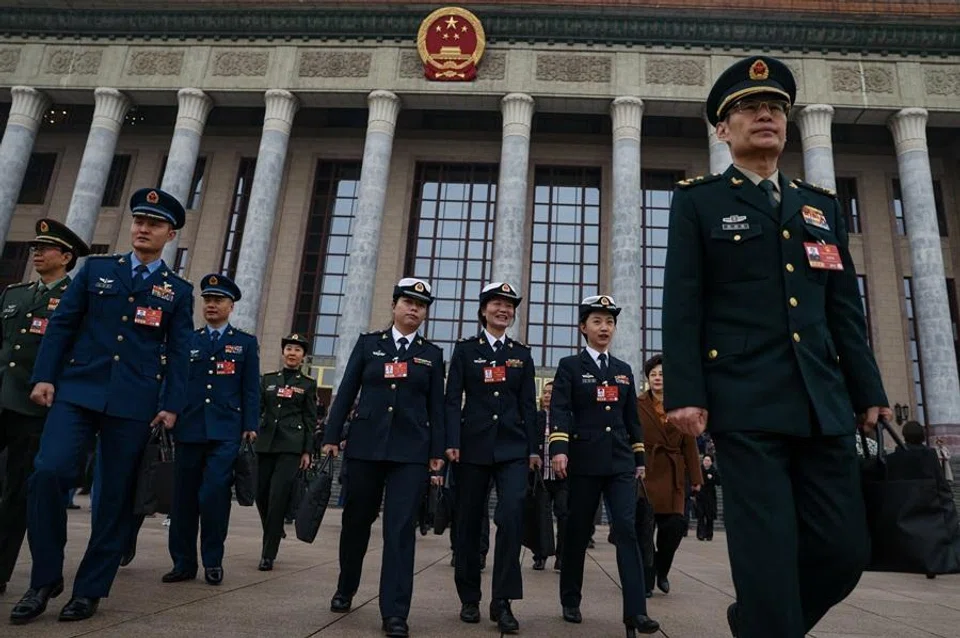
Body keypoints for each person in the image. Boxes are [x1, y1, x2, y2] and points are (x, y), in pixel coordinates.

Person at [662, 56, 891, 638]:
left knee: (844, 551)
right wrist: (685, 392)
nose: (765, 114)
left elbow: (844, 309)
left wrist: (868, 390)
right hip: (746, 402)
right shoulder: (700, 202)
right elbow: (683, 304)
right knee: (765, 555)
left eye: (775, 108)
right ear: (723, 129)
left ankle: (757, 624)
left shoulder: (820, 206)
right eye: (748, 107)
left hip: (823, 403)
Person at [10, 188, 193, 624]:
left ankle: (90, 589)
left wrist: (171, 405)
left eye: (153, 224)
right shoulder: (97, 269)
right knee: (48, 472)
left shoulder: (177, 290)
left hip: (133, 402)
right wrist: (44, 376)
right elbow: (63, 324)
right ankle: (44, 579)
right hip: (77, 390)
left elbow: (179, 352)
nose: (143, 229)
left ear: (170, 234)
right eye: (139, 221)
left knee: (113, 497)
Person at [322, 278, 445, 638]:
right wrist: (331, 436)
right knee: (356, 521)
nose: (414, 309)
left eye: (420, 305)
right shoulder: (369, 344)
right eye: (408, 302)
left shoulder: (431, 354)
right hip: (366, 446)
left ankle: (395, 611)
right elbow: (347, 391)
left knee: (400, 530)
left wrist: (437, 452)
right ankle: (346, 585)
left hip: (411, 451)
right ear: (394, 306)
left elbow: (437, 407)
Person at [549, 295, 660, 637]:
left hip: (620, 463)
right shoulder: (570, 366)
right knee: (578, 531)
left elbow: (632, 420)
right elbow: (560, 409)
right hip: (584, 461)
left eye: (609, 322)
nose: (604, 328)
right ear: (583, 327)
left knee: (626, 529)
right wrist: (559, 449)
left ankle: (636, 612)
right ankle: (570, 597)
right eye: (597, 321)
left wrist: (639, 459)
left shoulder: (623, 370)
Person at [0, 219, 89, 596]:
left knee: (17, 492)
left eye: (45, 248)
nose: (36, 253)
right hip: (2, 397)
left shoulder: (76, 299)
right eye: (34, 247)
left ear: (66, 257)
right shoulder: (15, 294)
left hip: (34, 410)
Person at [444, 282, 538, 632]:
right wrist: (451, 441)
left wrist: (533, 449)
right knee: (468, 522)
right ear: (484, 310)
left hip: (512, 447)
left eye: (509, 305)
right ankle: (469, 597)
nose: (504, 310)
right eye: (497, 304)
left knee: (512, 516)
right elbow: (452, 399)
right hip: (472, 446)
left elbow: (528, 405)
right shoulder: (466, 350)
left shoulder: (521, 354)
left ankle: (503, 601)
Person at [164, 273, 260, 586]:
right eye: (207, 300)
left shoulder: (244, 343)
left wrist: (250, 425)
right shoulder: (189, 340)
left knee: (214, 494)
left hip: (226, 431)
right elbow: (175, 380)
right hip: (189, 427)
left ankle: (213, 560)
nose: (211, 305)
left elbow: (250, 389)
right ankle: (182, 562)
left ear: (231, 306)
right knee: (184, 499)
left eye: (218, 300)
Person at [636, 353, 702, 595]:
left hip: (674, 475)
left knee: (675, 526)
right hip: (645, 471)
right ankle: (646, 580)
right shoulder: (637, 404)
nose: (657, 378)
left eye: (662, 374)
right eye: (653, 374)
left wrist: (696, 478)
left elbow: (690, 444)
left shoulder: (681, 406)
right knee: (644, 531)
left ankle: (662, 569)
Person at [255, 333, 316, 571]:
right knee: (260, 494)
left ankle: (268, 554)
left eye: (297, 350)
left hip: (291, 446)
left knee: (277, 497)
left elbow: (310, 419)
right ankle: (275, 526)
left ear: (303, 356)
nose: (292, 353)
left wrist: (307, 451)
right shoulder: (268, 379)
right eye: (289, 349)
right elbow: (259, 408)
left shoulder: (307, 384)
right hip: (266, 443)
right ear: (283, 353)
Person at [532, 380, 568, 572]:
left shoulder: (565, 417)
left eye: (551, 392)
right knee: (541, 517)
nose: (547, 396)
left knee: (564, 515)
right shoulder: (536, 417)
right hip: (541, 477)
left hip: (562, 477)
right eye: (545, 392)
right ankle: (540, 555)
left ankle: (562, 557)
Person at [696, 455, 720, 541]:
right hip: (700, 495)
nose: (706, 462)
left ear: (711, 462)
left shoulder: (714, 471)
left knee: (710, 517)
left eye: (708, 460)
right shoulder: (699, 470)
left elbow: (719, 482)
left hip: (710, 497)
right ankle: (700, 534)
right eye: (705, 460)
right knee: (700, 515)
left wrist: (712, 478)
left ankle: (709, 534)